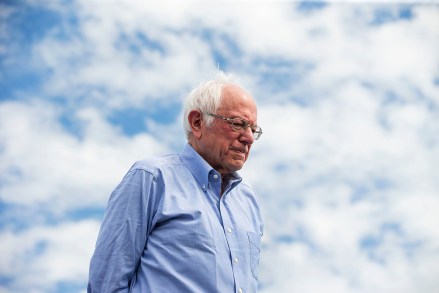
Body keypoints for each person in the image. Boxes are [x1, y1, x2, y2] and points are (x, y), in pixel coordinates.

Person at [87, 71, 264, 293]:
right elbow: (106, 284)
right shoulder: (151, 178)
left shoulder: (248, 201)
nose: (248, 138)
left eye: (253, 129)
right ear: (197, 122)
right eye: (238, 124)